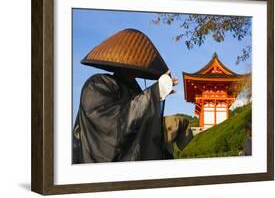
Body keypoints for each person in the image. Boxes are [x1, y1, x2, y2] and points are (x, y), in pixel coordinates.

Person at [72, 28, 189, 163]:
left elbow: (141, 123)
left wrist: (162, 111)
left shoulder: (134, 89)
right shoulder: (96, 84)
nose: (136, 71)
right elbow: (113, 125)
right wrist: (155, 93)